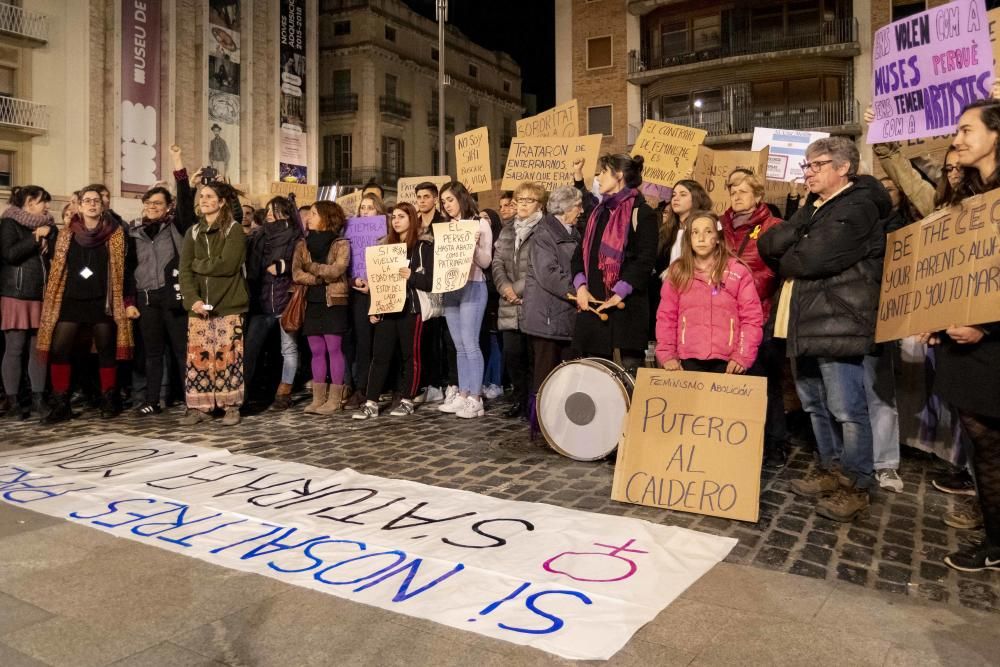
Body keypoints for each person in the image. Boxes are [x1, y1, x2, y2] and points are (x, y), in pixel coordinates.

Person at [758, 137, 891, 522]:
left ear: (843, 167)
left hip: (839, 321)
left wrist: (791, 256)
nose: (808, 173)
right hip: (806, 320)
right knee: (814, 404)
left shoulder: (860, 205)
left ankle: (857, 483)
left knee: (847, 409)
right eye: (807, 166)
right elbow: (770, 243)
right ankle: (831, 468)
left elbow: (811, 258)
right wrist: (802, 225)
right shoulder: (816, 206)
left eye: (817, 165)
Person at [930, 99, 1000, 572]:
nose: (957, 139)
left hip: (991, 341)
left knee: (993, 444)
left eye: (966, 129)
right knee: (984, 443)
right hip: (964, 342)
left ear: (997, 134)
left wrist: (986, 325)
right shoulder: (969, 196)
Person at [37, 184, 136, 423]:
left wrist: (127, 301)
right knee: (60, 348)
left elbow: (126, 271)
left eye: (96, 201)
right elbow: (57, 268)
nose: (92, 204)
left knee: (105, 349)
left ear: (102, 207)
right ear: (79, 205)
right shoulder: (66, 233)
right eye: (87, 200)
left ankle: (109, 399)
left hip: (102, 301)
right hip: (71, 299)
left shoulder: (116, 234)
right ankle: (62, 403)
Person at [720, 170, 786, 466]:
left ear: (758, 196)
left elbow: (775, 270)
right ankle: (739, 439)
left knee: (765, 383)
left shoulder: (773, 227)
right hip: (725, 319)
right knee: (734, 382)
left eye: (744, 191)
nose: (737, 196)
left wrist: (739, 283)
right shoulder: (720, 228)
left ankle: (774, 442)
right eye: (733, 191)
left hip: (761, 315)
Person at [126, 145, 196, 416]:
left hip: (172, 297)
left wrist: (178, 162)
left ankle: (192, 400)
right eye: (148, 203)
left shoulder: (177, 227)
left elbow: (186, 201)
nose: (152, 207)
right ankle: (152, 400)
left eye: (157, 203)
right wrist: (129, 300)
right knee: (153, 353)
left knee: (181, 351)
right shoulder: (134, 232)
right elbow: (129, 269)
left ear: (168, 207)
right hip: (146, 299)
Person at [571, 154, 658, 373]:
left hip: (626, 312)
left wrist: (618, 293)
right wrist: (581, 287)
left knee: (627, 382)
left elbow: (645, 260)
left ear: (618, 176)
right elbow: (579, 255)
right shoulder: (596, 214)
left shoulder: (642, 213)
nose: (598, 178)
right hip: (593, 310)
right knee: (595, 381)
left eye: (603, 172)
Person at [353, 202, 434, 420]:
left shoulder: (422, 247)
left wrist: (412, 276)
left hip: (411, 309)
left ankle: (408, 399)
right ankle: (371, 401)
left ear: (412, 219)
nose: (396, 221)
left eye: (401, 217)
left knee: (411, 356)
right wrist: (374, 307)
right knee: (379, 355)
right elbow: (377, 281)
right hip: (388, 308)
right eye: (394, 217)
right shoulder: (384, 246)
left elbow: (430, 281)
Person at [656, 210, 762, 373]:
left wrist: (742, 355)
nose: (701, 238)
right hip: (687, 360)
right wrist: (668, 354)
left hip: (728, 363)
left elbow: (751, 318)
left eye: (708, 231)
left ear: (718, 238)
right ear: (688, 239)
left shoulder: (738, 272)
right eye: (695, 232)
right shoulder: (677, 273)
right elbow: (666, 317)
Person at [178, 180, 248, 426]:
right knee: (200, 359)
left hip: (228, 304)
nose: (204, 200)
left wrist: (200, 265)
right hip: (199, 309)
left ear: (221, 202)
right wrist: (193, 300)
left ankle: (230, 406)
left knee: (229, 357)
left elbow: (228, 265)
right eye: (202, 196)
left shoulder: (234, 230)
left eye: (209, 196)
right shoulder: (193, 232)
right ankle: (201, 406)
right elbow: (184, 270)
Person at [521, 185, 583, 427]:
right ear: (565, 208)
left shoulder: (574, 232)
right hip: (546, 317)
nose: (581, 210)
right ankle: (542, 424)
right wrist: (579, 291)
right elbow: (549, 274)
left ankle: (564, 422)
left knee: (566, 373)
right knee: (545, 374)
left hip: (566, 315)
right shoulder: (544, 235)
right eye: (577, 206)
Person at [437, 181, 493, 418]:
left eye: (450, 199)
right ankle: (463, 393)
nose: (447, 205)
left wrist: (473, 248)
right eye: (444, 202)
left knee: (470, 343)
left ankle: (476, 398)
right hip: (451, 287)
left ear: (461, 197)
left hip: (473, 285)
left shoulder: (480, 224)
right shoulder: (447, 227)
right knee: (459, 345)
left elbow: (487, 261)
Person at [0, 185, 55, 420]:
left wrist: (47, 237)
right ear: (30, 201)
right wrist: (35, 238)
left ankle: (38, 398)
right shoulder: (10, 223)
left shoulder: (48, 227)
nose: (47, 206)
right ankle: (12, 401)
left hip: (40, 294)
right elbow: (10, 254)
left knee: (38, 350)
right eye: (43, 201)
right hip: (16, 293)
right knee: (14, 348)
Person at [244, 196, 303, 410]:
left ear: (286, 213)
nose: (269, 213)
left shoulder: (296, 236)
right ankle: (247, 392)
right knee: (252, 348)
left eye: (275, 209)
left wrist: (283, 266)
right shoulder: (259, 235)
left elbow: (302, 262)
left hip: (284, 300)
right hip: (260, 302)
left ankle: (284, 391)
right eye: (268, 209)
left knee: (287, 348)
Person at [492, 182, 545, 419]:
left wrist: (517, 289)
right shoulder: (507, 230)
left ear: (539, 204)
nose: (522, 204)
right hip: (508, 303)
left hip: (532, 301)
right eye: (519, 200)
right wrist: (504, 288)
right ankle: (520, 399)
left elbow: (539, 267)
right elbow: (497, 263)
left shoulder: (544, 231)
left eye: (528, 200)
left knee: (534, 356)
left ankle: (536, 403)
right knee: (512, 355)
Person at [293, 200, 351, 415]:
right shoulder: (303, 244)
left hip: (334, 301)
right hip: (313, 299)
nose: (309, 218)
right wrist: (317, 278)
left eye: (315, 214)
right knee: (316, 350)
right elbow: (297, 273)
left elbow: (337, 270)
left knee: (333, 348)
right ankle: (318, 398)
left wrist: (312, 267)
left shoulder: (341, 243)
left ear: (327, 217)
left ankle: (335, 399)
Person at [345, 193, 387, 409]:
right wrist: (355, 280)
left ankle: (380, 387)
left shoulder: (387, 236)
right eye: (363, 208)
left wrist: (375, 284)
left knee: (381, 341)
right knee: (362, 342)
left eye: (370, 208)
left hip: (381, 292)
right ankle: (362, 388)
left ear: (379, 211)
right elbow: (347, 264)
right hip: (359, 293)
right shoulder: (351, 234)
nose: (365, 212)